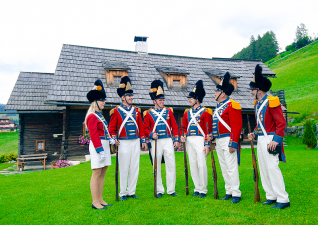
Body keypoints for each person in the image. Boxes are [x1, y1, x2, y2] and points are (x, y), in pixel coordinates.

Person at [247, 64, 290, 209]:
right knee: (264, 167)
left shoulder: (272, 101)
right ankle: (271, 195)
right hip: (261, 139)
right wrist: (254, 132)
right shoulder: (257, 104)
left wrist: (276, 141)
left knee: (272, 168)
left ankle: (283, 199)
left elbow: (281, 123)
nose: (251, 92)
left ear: (259, 90)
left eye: (252, 89)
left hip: (271, 138)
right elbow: (260, 123)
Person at [109, 76, 147, 201]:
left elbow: (141, 127)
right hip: (123, 142)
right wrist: (114, 138)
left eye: (132, 96)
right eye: (129, 96)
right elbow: (112, 129)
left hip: (135, 141)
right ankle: (123, 192)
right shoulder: (116, 111)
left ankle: (132, 191)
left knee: (134, 167)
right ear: (123, 97)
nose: (131, 97)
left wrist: (143, 140)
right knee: (124, 167)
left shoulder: (136, 110)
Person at [207, 72, 242, 204]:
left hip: (228, 140)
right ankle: (229, 191)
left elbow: (237, 126)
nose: (214, 94)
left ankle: (236, 193)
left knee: (231, 167)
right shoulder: (217, 107)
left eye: (216, 92)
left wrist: (233, 143)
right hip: (219, 140)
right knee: (224, 167)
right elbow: (217, 126)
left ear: (222, 93)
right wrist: (212, 135)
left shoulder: (232, 105)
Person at [143, 80, 180, 198]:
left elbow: (174, 126)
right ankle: (159, 190)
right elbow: (145, 128)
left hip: (168, 140)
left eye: (163, 100)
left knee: (171, 164)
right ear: (155, 101)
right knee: (156, 165)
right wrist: (150, 135)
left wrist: (176, 139)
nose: (162, 101)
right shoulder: (149, 113)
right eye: (160, 100)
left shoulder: (169, 111)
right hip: (155, 142)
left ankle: (171, 189)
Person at [180, 80, 212, 198]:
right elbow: (183, 126)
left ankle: (203, 189)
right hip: (189, 140)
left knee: (202, 164)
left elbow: (208, 130)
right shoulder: (187, 113)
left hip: (200, 139)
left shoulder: (206, 112)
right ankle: (197, 187)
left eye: (191, 98)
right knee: (192, 164)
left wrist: (207, 144)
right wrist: (183, 135)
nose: (189, 100)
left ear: (197, 99)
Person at [85, 79, 114, 210]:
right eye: (102, 100)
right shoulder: (91, 116)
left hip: (105, 144)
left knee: (103, 172)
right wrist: (100, 150)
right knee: (96, 172)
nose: (104, 102)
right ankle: (95, 201)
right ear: (95, 102)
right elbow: (94, 134)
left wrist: (111, 140)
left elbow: (104, 131)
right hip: (98, 146)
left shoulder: (99, 115)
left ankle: (100, 199)